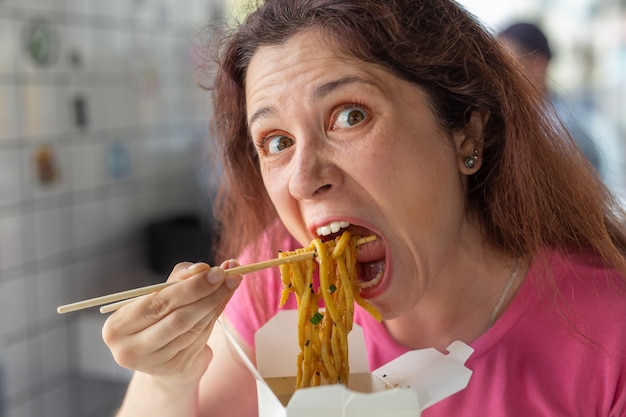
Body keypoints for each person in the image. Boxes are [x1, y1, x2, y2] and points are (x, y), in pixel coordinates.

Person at [101, 1, 626, 416]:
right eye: (277, 142)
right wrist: (167, 376)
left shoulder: (609, 333)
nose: (305, 180)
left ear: (467, 131)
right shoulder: (277, 284)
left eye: (350, 116)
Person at [497, 21, 605, 173]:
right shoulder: (499, 116)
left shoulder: (566, 128)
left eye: (508, 64)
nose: (499, 75)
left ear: (538, 66)